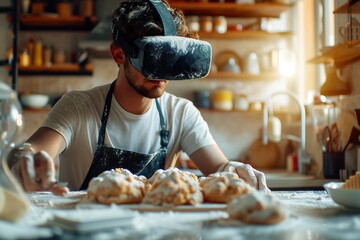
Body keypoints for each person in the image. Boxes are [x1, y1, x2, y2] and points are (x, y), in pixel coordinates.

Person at [8, 0, 269, 195]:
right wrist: (23, 158)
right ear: (119, 55)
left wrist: (235, 171)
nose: (160, 73)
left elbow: (221, 168)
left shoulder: (182, 114)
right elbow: (28, 152)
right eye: (151, 58)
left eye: (168, 59)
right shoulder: (79, 107)